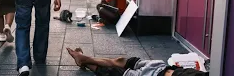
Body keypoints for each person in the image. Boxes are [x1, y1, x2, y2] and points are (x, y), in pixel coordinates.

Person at [66, 47, 208, 76]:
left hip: (159, 67)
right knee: (116, 68)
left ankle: (84, 60)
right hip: (160, 70)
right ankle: (84, 60)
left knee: (117, 65)